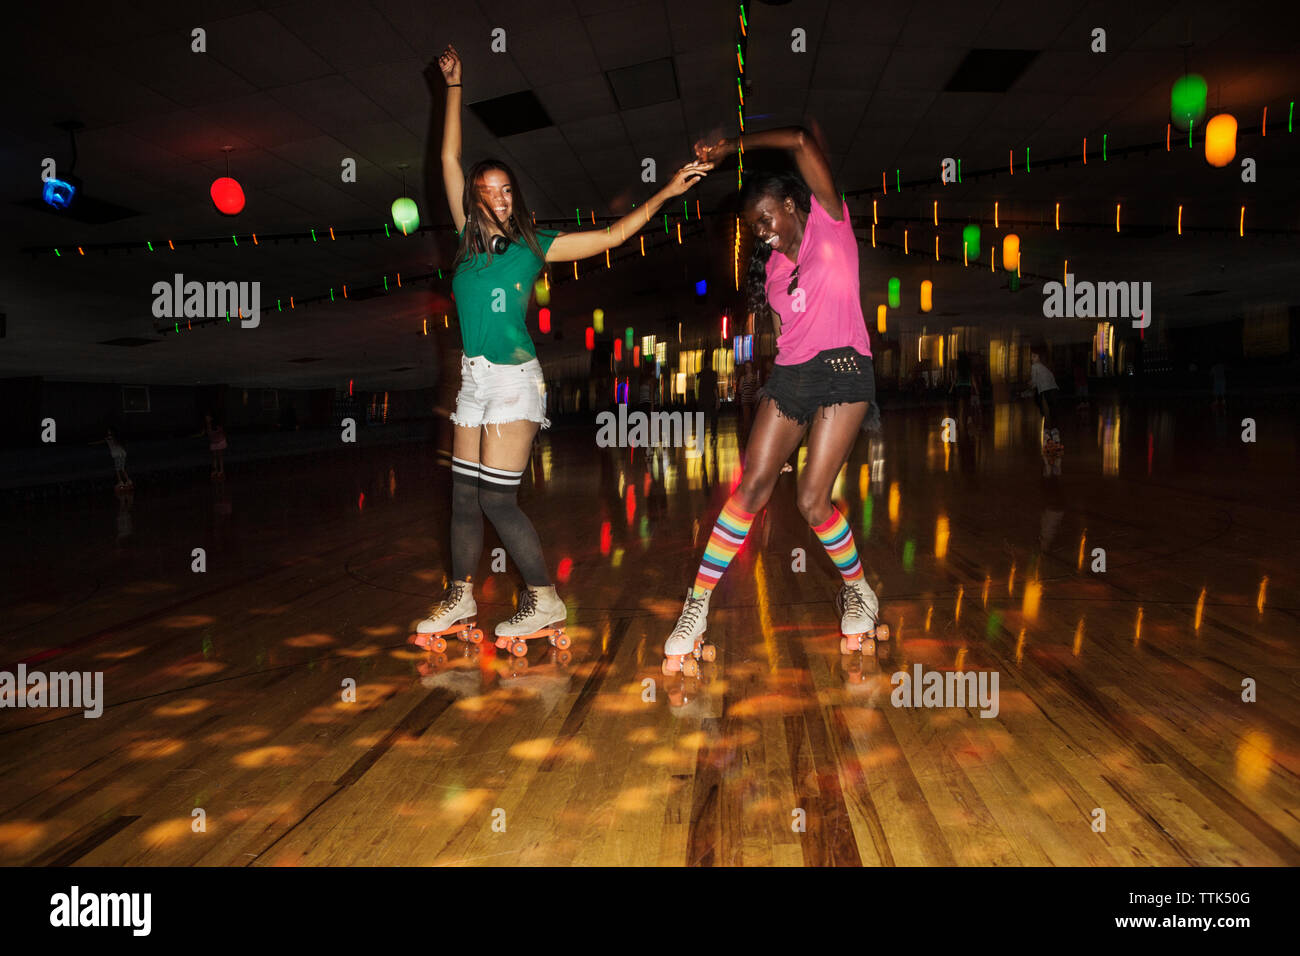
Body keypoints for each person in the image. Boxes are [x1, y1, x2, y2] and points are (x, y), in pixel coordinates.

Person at [414, 44, 711, 651]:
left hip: (514, 381)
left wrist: (666, 195)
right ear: (473, 199)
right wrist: (453, 87)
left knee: (498, 500)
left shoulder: (533, 245)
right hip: (473, 383)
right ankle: (461, 595)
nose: (498, 197)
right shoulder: (468, 245)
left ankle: (545, 600)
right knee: (463, 498)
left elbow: (611, 235)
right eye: (487, 190)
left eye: (505, 190)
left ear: (513, 196)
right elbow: (446, 155)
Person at [663, 125, 885, 672]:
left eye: (766, 218)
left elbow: (806, 141)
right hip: (791, 376)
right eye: (752, 226)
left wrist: (732, 147)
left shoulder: (831, 226)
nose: (760, 232)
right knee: (750, 488)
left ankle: (860, 590)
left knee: (812, 499)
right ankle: (697, 605)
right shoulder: (777, 268)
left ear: (791, 204)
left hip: (844, 371)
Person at [90, 427, 132, 492]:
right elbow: (119, 443)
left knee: (118, 470)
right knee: (122, 469)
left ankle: (121, 482)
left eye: (109, 432)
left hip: (117, 454)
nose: (108, 434)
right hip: (122, 453)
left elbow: (102, 441)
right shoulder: (114, 438)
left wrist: (92, 444)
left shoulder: (110, 438)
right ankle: (128, 481)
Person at [738, 361, 758, 446]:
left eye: (748, 367)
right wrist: (742, 389)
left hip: (753, 401)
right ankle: (746, 438)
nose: (747, 369)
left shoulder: (755, 377)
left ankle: (752, 437)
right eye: (746, 367)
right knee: (746, 419)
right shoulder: (743, 378)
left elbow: (758, 388)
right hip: (745, 401)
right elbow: (739, 389)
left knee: (753, 420)